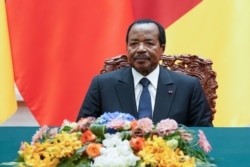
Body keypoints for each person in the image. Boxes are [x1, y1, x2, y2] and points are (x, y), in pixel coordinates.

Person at [77, 19, 213, 126]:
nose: (140, 49)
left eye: (149, 43)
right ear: (127, 47)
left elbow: (205, 135)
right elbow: (82, 130)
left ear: (162, 49)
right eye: (134, 44)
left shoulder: (188, 86)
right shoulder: (102, 85)